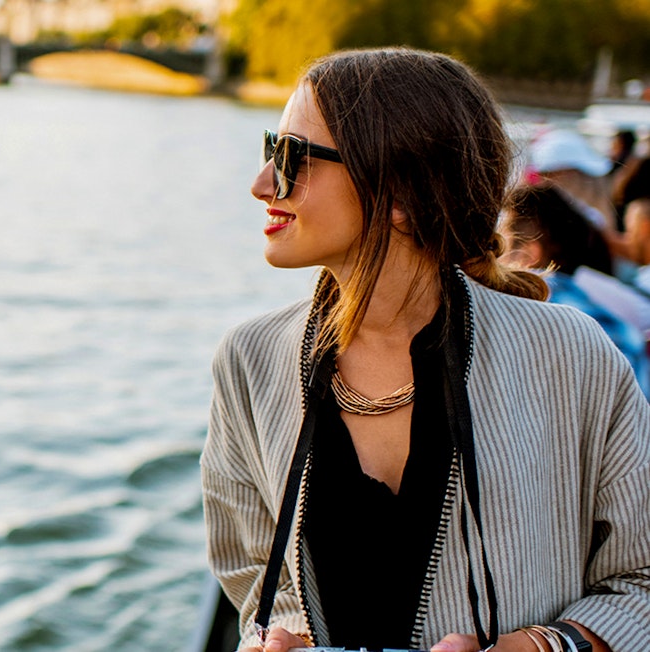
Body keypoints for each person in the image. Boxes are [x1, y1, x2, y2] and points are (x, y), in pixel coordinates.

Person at [200, 47, 650, 652]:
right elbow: (252, 570)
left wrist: (548, 645)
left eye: (290, 158)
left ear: (401, 193)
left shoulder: (572, 356)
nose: (261, 184)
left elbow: (642, 578)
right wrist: (287, 632)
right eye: (268, 151)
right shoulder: (248, 360)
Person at [501, 183, 650, 397]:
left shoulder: (524, 308)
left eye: (498, 247)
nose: (495, 261)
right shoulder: (605, 302)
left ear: (528, 255)